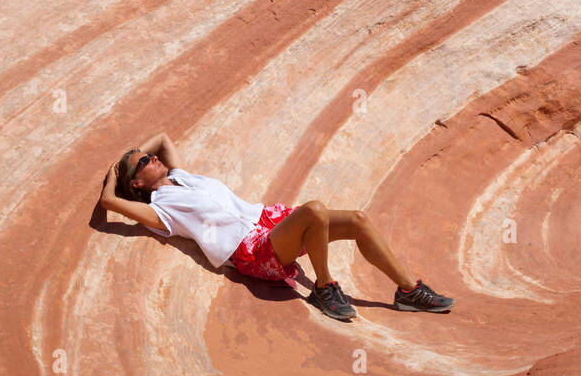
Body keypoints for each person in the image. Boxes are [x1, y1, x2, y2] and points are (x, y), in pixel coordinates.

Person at [99, 132, 454, 321]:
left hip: (269, 221)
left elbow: (162, 136)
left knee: (359, 220)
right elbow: (109, 203)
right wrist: (114, 177)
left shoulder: (181, 177)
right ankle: (324, 288)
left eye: (149, 156)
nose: (153, 157)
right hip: (251, 250)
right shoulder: (162, 209)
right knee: (314, 210)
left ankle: (408, 291)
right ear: (138, 185)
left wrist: (131, 157)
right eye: (144, 162)